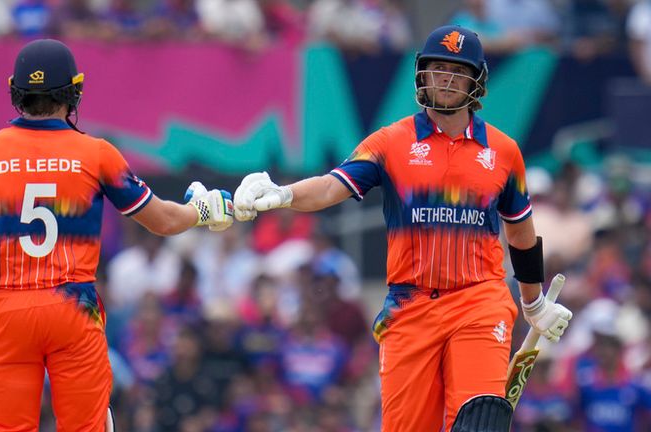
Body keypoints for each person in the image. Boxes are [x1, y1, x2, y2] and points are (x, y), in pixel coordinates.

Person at [233, 25, 573, 431]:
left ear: (476, 80)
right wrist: (285, 194)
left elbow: (520, 232)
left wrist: (533, 305)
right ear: (422, 74)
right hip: (409, 308)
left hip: (478, 302)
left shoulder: (502, 152)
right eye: (437, 68)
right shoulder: (390, 142)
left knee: (478, 421)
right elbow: (331, 186)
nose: (445, 79)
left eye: (457, 71)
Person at [0, 39, 233, 431]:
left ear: (16, 91)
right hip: (72, 309)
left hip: (6, 313)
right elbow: (164, 221)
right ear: (74, 90)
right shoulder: (97, 154)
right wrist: (203, 211)